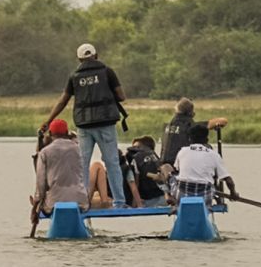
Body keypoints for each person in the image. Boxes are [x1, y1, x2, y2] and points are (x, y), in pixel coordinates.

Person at [39, 43, 128, 208]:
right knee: (112, 162)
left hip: (84, 126)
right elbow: (121, 96)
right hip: (106, 124)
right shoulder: (107, 72)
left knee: (83, 164)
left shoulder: (74, 77)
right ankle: (120, 202)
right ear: (96, 55)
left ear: (79, 59)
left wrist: (48, 120)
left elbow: (63, 101)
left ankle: (82, 201)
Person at [172, 124, 238, 208]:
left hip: (182, 193)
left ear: (190, 139)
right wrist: (233, 193)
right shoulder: (214, 155)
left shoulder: (182, 151)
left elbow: (177, 170)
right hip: (205, 194)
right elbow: (229, 181)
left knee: (171, 177)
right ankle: (215, 202)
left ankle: (175, 204)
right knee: (212, 181)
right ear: (207, 139)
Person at [32, 119, 88, 218]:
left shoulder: (44, 152)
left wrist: (35, 207)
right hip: (80, 200)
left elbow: (41, 184)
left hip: (54, 202)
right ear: (66, 133)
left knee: (45, 200)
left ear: (50, 133)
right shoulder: (78, 148)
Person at [159, 97, 228, 166]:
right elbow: (223, 121)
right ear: (191, 113)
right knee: (207, 146)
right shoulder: (190, 126)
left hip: (163, 164)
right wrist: (215, 125)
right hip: (179, 164)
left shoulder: (167, 126)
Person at [126, 136, 168, 208]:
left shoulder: (135, 158)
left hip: (146, 199)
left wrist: (135, 203)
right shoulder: (155, 156)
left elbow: (135, 183)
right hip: (162, 196)